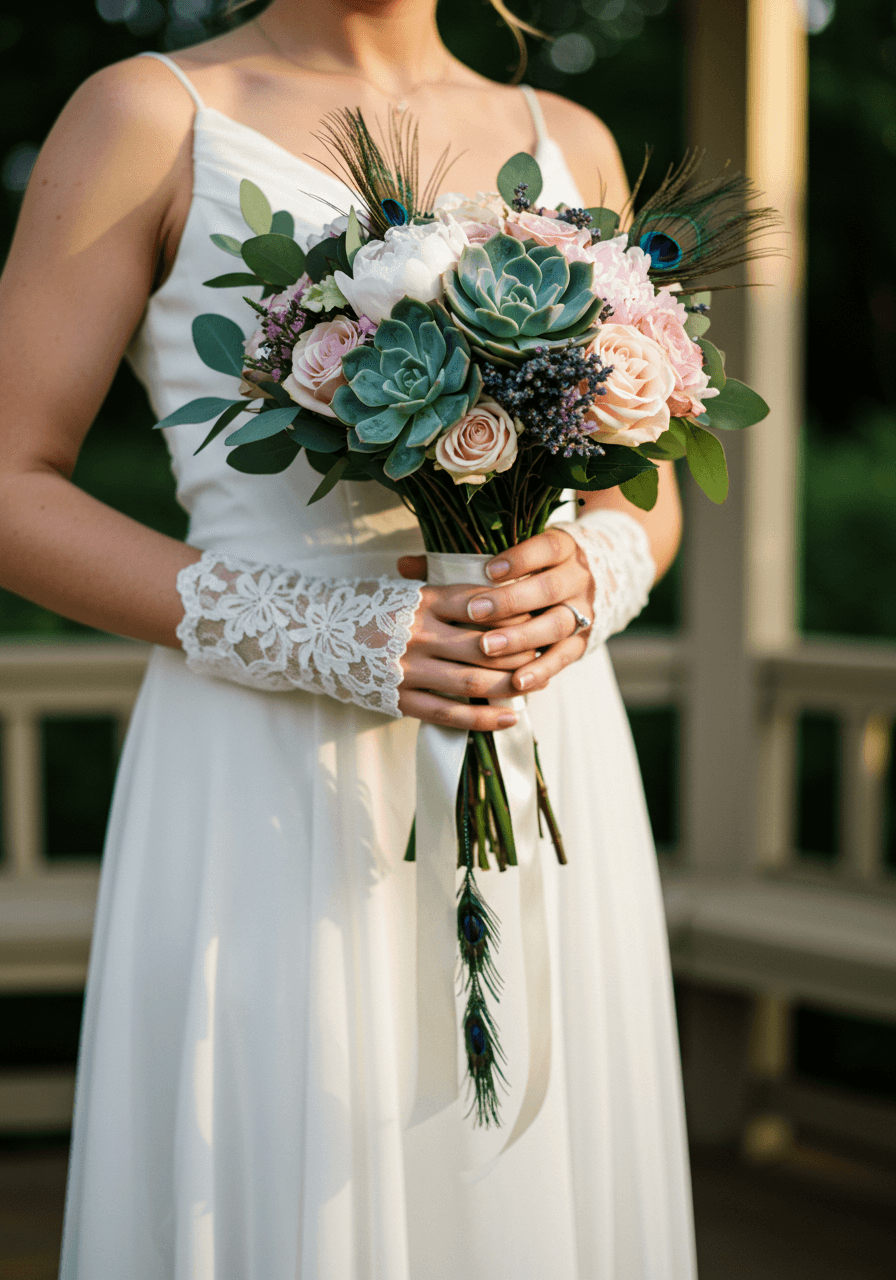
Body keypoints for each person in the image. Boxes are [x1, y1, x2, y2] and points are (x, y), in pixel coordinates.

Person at [0, 0, 695, 1275]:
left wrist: (589, 573)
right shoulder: (149, 116)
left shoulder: (569, 136)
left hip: (535, 738)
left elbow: (637, 500)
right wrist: (321, 630)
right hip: (268, 759)